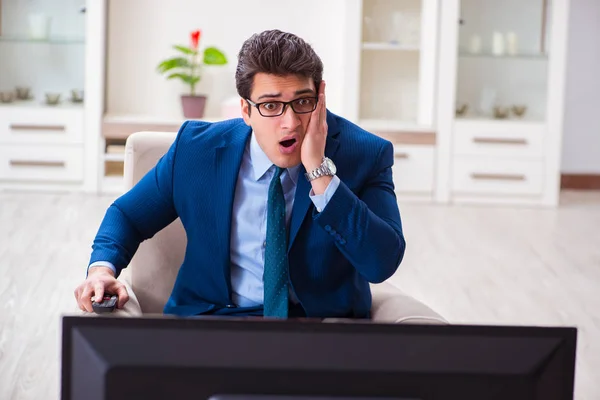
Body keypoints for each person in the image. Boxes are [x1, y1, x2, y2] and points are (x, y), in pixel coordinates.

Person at [74, 29, 406, 319]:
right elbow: (128, 215)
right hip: (213, 322)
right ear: (246, 110)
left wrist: (320, 173)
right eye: (271, 106)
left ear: (320, 97)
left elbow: (381, 263)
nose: (290, 122)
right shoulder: (196, 149)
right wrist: (102, 270)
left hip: (317, 330)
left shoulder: (365, 154)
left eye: (302, 102)